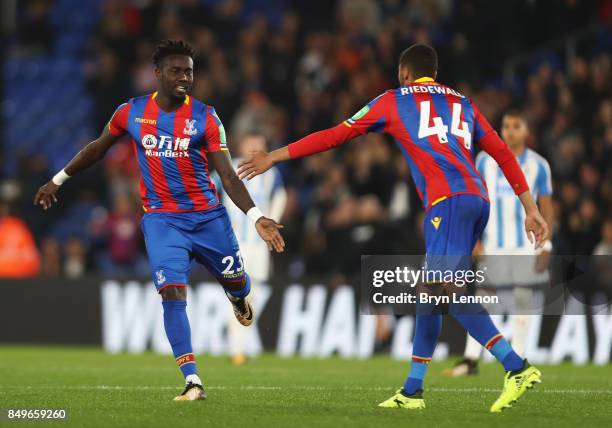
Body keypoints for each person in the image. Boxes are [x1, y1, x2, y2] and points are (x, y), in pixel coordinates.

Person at [237, 44, 548, 413]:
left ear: (404, 73)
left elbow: (336, 135)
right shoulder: (463, 102)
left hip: (446, 201)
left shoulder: (394, 99)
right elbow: (500, 151)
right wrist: (531, 207)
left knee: (444, 290)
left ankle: (516, 366)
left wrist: (275, 155)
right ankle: (413, 390)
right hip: (477, 199)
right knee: (430, 292)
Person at [34, 40, 285, 401]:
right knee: (171, 290)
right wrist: (58, 179)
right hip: (162, 220)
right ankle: (192, 379)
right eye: (177, 70)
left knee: (237, 281)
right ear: (158, 74)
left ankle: (238, 295)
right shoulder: (131, 112)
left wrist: (257, 217)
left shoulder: (206, 117)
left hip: (207, 218)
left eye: (190, 72)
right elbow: (98, 147)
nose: (185, 77)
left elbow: (228, 176)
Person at [443, 110, 554, 377]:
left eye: (516, 126)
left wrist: (546, 245)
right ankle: (470, 360)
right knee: (482, 300)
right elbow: (475, 200)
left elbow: (546, 208)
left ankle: (518, 361)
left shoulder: (539, 165)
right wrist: (474, 239)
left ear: (526, 131)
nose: (510, 131)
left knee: (522, 300)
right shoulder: (484, 162)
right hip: (492, 243)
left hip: (523, 245)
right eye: (506, 126)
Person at [217, 134, 287, 365]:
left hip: (259, 246)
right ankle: (237, 349)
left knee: (253, 297)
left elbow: (281, 197)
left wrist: (273, 225)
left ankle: (242, 345)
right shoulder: (227, 169)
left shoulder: (271, 173)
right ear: (241, 144)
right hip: (234, 245)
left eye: (260, 143)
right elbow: (206, 189)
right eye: (251, 143)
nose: (255, 147)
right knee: (238, 295)